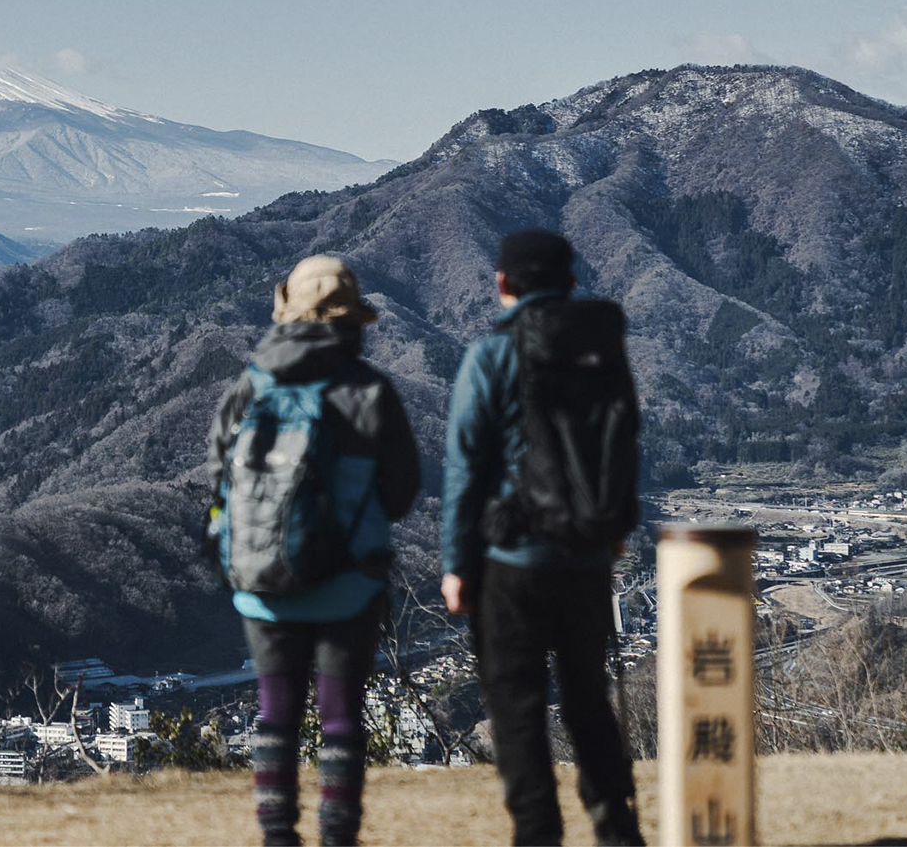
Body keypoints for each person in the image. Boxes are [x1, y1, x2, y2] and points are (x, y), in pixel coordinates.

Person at [207, 254, 420, 847]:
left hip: (262, 586)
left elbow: (218, 482)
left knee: (275, 715)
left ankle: (277, 834)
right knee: (342, 718)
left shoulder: (249, 385)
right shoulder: (370, 392)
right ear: (353, 320)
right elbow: (401, 494)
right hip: (350, 583)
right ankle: (337, 836)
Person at [440, 229, 643, 845]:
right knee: (588, 697)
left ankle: (537, 832)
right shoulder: (605, 350)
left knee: (516, 706)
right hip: (586, 556)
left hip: (513, 559)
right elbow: (625, 443)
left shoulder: (491, 355)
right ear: (571, 281)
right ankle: (614, 822)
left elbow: (465, 467)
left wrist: (457, 562)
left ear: (501, 283)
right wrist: (612, 530)